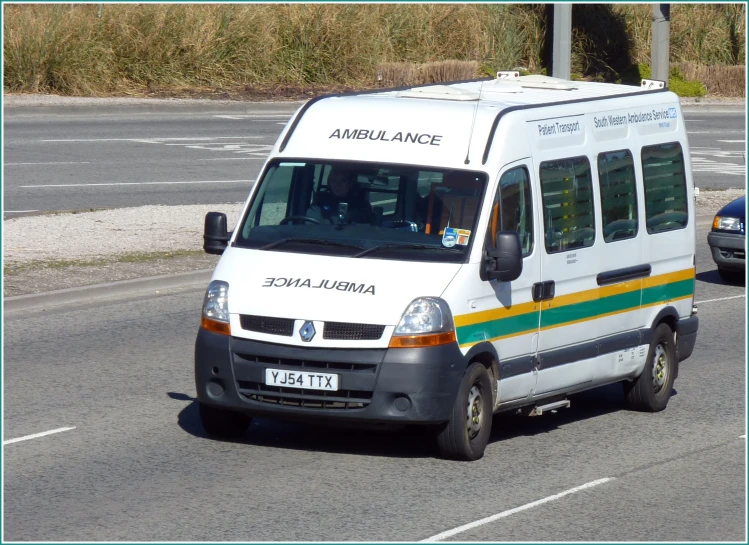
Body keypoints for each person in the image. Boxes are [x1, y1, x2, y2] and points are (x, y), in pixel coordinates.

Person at [307, 167, 373, 224]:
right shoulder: (320, 201)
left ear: (350, 183)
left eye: (343, 181)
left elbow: (362, 230)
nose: (337, 185)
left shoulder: (361, 205)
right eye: (333, 181)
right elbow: (310, 224)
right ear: (329, 182)